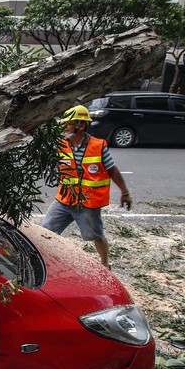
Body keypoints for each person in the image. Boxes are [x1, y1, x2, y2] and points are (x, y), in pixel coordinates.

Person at [41, 104, 132, 269]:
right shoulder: (61, 145)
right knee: (46, 231)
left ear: (81, 125)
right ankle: (45, 263)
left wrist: (125, 192)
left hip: (87, 203)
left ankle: (105, 264)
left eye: (68, 124)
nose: (64, 127)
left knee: (95, 235)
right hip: (65, 199)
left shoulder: (97, 146)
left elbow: (112, 170)